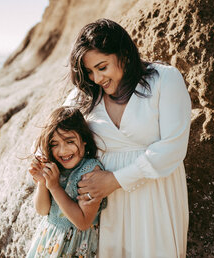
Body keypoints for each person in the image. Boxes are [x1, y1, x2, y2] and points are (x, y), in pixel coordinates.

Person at [64, 18, 191, 257]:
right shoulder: (85, 94)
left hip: (155, 194)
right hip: (106, 205)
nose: (97, 79)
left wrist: (116, 180)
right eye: (89, 71)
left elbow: (173, 147)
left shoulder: (164, 79)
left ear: (124, 54)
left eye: (102, 67)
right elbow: (56, 131)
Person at [26, 106, 106, 258]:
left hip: (73, 247)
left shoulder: (90, 172)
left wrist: (55, 187)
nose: (62, 151)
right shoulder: (56, 168)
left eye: (69, 141)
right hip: (48, 242)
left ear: (84, 140)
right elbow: (43, 210)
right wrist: (43, 182)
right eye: (54, 144)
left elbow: (83, 222)